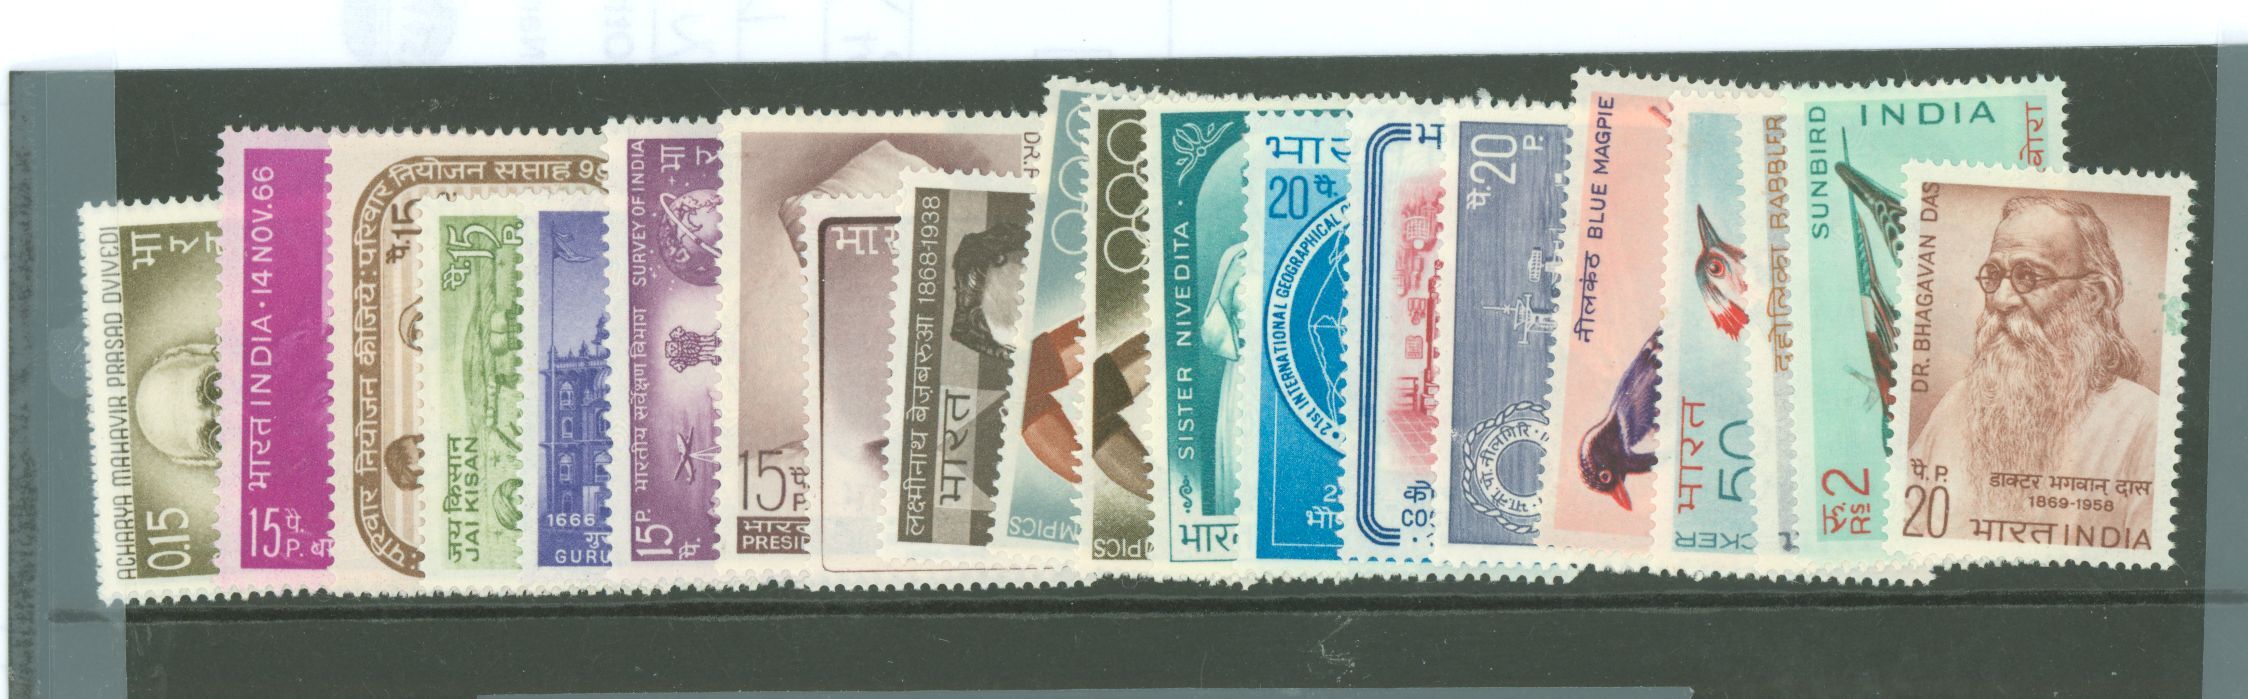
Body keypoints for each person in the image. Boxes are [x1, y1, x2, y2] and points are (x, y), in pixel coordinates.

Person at [1909, 195, 2157, 529]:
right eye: (1993, 275)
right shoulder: (1957, 403)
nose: (2001, 300)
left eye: (2028, 276)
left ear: (2093, 296)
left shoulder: (2145, 423)